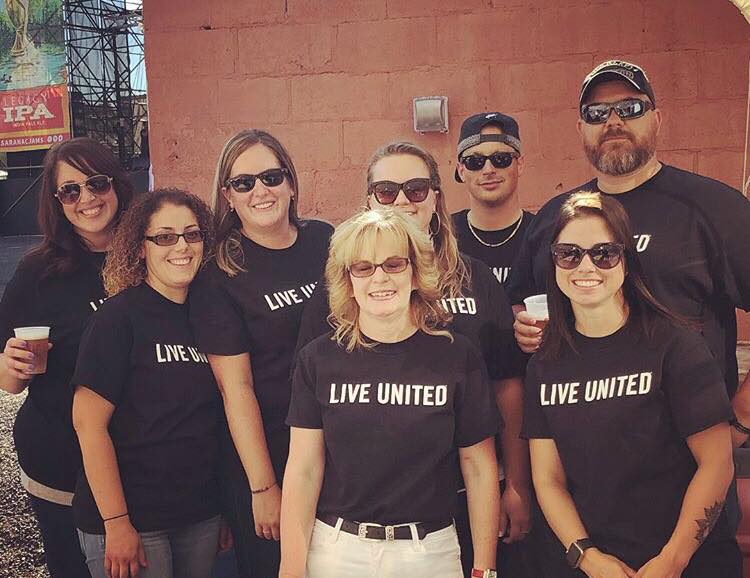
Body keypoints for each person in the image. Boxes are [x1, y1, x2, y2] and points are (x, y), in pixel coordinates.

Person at [296, 141, 525, 578]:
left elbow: (507, 385)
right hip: (351, 521)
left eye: (417, 188)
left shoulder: (476, 279)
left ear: (437, 197)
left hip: (447, 513)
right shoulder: (337, 298)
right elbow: (310, 433)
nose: (402, 200)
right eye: (386, 191)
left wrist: (515, 485)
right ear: (369, 200)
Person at [522, 191, 741, 578]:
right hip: (593, 565)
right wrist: (587, 557)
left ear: (626, 261)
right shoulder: (545, 363)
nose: (585, 266)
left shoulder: (675, 346)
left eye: (603, 253)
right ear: (554, 263)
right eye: (569, 253)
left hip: (685, 563)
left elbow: (716, 461)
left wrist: (672, 560)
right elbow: (548, 478)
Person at [508, 58, 750, 404]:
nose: (613, 121)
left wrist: (741, 419)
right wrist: (524, 327)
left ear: (657, 119)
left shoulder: (714, 208)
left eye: (630, 107)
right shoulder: (555, 217)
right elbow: (522, 298)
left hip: (690, 441)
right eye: (597, 113)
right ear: (580, 129)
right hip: (581, 439)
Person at [188, 129, 333, 578]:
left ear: (291, 182)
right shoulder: (220, 274)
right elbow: (237, 389)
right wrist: (263, 486)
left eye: (271, 177)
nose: (261, 191)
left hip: (339, 443)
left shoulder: (324, 242)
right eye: (244, 183)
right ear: (228, 196)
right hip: (270, 451)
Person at [0, 137, 135, 578]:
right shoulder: (38, 271)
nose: (87, 199)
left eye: (96, 183)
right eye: (70, 190)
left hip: (144, 458)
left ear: (116, 184)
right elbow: (8, 375)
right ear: (57, 202)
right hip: (61, 463)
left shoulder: (151, 255)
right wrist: (10, 367)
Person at [72, 188, 224, 578]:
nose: (182, 246)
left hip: (199, 513)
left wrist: (223, 506)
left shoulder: (209, 314)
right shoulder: (118, 318)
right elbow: (89, 425)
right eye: (165, 237)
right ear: (141, 248)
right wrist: (116, 522)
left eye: (192, 234)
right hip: (133, 520)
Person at [452, 112, 535, 285]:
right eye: (475, 161)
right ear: (461, 170)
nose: (488, 169)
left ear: (519, 165)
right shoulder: (444, 236)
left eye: (501, 159)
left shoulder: (542, 234)